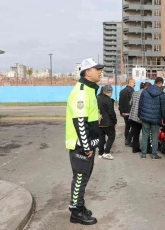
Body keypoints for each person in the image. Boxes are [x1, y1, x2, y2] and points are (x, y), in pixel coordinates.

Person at [65, 58, 103, 225]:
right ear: (88, 72)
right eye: (97, 69)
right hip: (81, 146)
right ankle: (76, 211)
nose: (100, 71)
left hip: (88, 144)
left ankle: (80, 206)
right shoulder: (81, 92)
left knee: (84, 177)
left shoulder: (89, 90)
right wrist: (86, 146)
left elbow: (88, 116)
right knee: (80, 178)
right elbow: (79, 121)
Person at [138, 77, 165, 160]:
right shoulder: (161, 94)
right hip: (156, 118)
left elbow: (140, 105)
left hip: (145, 118)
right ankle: (154, 155)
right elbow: (163, 108)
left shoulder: (145, 91)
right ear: (161, 83)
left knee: (144, 135)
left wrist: (139, 116)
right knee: (155, 136)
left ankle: (143, 154)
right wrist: (164, 119)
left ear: (155, 82)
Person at [129, 82, 151, 153]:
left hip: (133, 116)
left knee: (136, 133)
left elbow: (130, 103)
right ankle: (147, 149)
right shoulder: (147, 94)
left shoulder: (135, 93)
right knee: (146, 134)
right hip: (142, 116)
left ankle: (135, 148)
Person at [97, 85, 117, 160]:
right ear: (109, 92)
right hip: (107, 123)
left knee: (101, 138)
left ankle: (100, 152)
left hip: (98, 122)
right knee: (111, 136)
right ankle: (107, 152)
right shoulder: (108, 100)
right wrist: (115, 121)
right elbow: (111, 112)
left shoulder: (97, 98)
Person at [119, 78, 135, 146]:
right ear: (130, 82)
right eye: (134, 83)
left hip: (124, 112)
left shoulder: (122, 91)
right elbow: (132, 102)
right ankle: (128, 139)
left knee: (127, 126)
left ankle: (126, 139)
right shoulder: (131, 90)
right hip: (130, 112)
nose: (135, 84)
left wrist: (121, 111)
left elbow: (120, 102)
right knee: (134, 127)